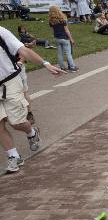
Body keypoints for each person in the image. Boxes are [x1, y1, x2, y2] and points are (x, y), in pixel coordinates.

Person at [0, 25, 64, 173]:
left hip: (10, 81)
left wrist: (45, 64)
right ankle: (13, 156)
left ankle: (32, 132)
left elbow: (23, 50)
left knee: (16, 122)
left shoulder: (1, 32)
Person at [48, 6, 78, 72]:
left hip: (57, 38)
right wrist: (71, 39)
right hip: (65, 38)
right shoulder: (62, 19)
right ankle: (72, 67)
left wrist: (55, 36)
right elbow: (67, 30)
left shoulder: (51, 21)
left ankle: (62, 67)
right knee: (68, 53)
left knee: (59, 54)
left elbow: (53, 31)